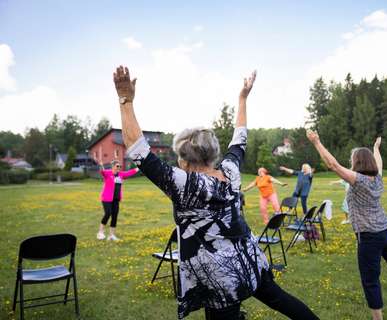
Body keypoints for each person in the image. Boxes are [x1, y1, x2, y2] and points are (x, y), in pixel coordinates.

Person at [113, 65, 318, 319]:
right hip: (249, 258)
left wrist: (125, 101)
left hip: (219, 275)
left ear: (185, 161)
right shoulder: (230, 171)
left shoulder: (184, 184)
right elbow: (240, 137)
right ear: (211, 154)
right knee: (281, 300)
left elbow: (136, 148)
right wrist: (243, 98)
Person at [306, 131, 387, 320]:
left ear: (357, 162)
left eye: (352, 159)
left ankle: (378, 318)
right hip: (385, 228)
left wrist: (317, 142)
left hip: (369, 235)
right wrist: (376, 148)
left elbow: (333, 165)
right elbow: (379, 162)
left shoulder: (357, 180)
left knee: (370, 279)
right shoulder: (377, 177)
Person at [93, 151, 139, 241]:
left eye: (120, 166)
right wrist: (101, 165)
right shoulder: (108, 173)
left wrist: (139, 168)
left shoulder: (121, 175)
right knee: (108, 213)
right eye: (117, 166)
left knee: (114, 216)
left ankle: (111, 235)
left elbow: (130, 173)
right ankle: (100, 232)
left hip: (116, 199)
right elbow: (102, 171)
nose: (119, 168)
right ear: (113, 166)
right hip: (106, 199)